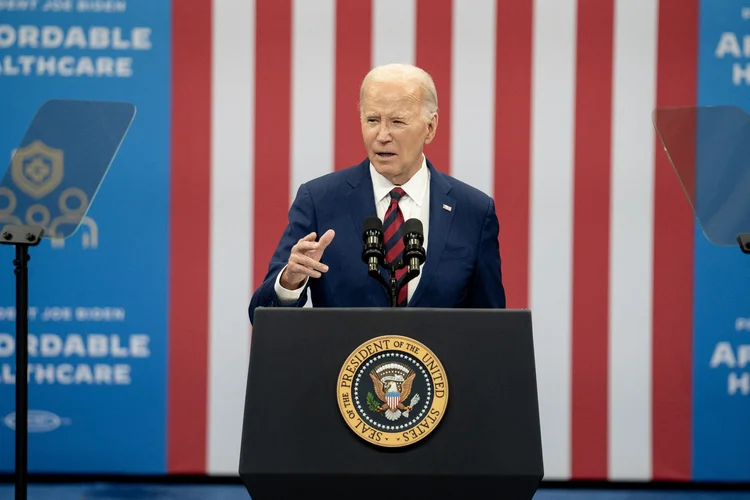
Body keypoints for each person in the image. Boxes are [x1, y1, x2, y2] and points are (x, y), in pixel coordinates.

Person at [248, 63, 505, 324]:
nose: (382, 135)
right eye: (372, 120)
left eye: (397, 121)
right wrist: (290, 282)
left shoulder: (472, 211)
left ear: (430, 127)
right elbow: (262, 317)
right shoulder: (320, 200)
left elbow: (492, 329)